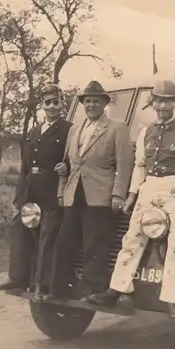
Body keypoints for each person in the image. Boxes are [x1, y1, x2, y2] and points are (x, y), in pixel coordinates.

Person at [86, 79, 175, 318]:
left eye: (167, 101)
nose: (162, 106)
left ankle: (171, 299)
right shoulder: (146, 131)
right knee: (132, 239)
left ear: (174, 103)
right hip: (149, 188)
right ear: (152, 103)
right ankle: (117, 289)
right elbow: (139, 165)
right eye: (158, 100)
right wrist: (132, 195)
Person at [48, 80, 134, 300]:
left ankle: (92, 290)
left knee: (95, 242)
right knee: (65, 239)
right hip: (73, 192)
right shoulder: (75, 129)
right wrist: (61, 191)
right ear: (83, 104)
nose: (91, 105)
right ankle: (59, 288)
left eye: (96, 101)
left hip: (100, 194)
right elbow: (68, 162)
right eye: (88, 101)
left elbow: (124, 164)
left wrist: (118, 194)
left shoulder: (117, 127)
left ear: (104, 104)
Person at [0, 83, 72, 300]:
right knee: (19, 227)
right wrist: (19, 197)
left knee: (47, 235)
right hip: (32, 186)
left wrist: (67, 167)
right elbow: (25, 167)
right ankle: (17, 277)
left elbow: (75, 159)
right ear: (42, 105)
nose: (52, 107)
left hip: (52, 187)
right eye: (48, 103)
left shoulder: (69, 129)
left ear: (62, 104)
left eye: (56, 102)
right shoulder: (34, 131)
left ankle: (43, 285)